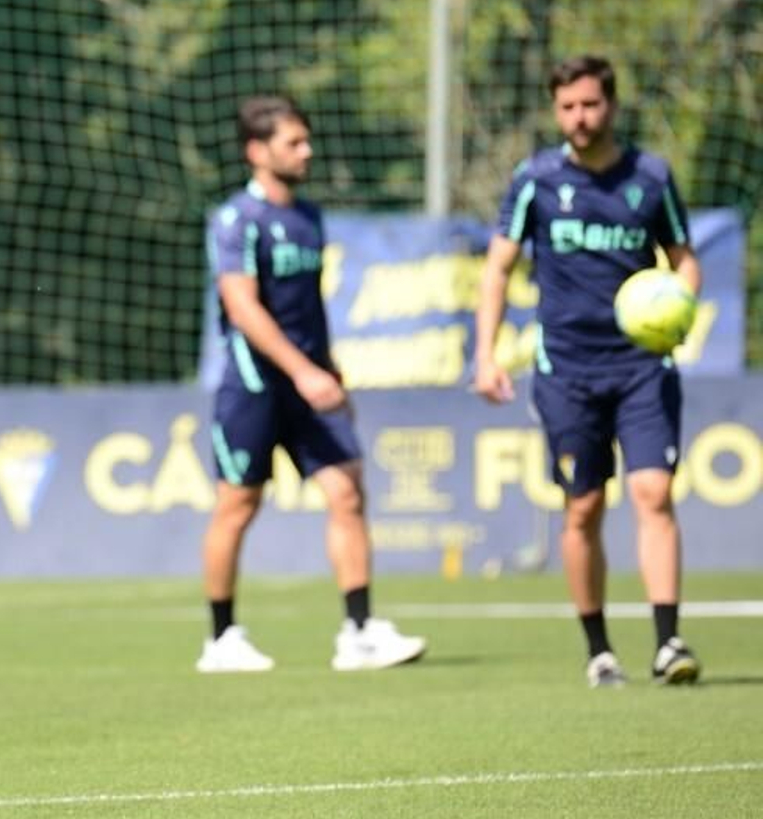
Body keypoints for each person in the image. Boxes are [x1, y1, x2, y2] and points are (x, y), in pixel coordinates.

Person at [473, 54, 702, 689]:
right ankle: (599, 649)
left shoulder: (651, 177)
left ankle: (668, 641)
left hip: (641, 366)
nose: (580, 117)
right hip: (566, 368)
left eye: (591, 105)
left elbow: (683, 261)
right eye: (568, 107)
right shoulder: (534, 180)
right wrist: (485, 353)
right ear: (556, 110)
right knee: (584, 508)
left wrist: (680, 305)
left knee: (653, 492)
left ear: (612, 105)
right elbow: (497, 268)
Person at [197, 96, 427, 674]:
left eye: (306, 140)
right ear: (258, 150)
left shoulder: (310, 218)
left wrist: (328, 370)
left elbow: (309, 309)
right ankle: (221, 639)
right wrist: (301, 370)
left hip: (310, 382)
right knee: (238, 503)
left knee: (347, 490)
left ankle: (359, 631)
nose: (308, 151)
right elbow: (242, 308)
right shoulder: (237, 220)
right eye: (293, 142)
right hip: (253, 384)